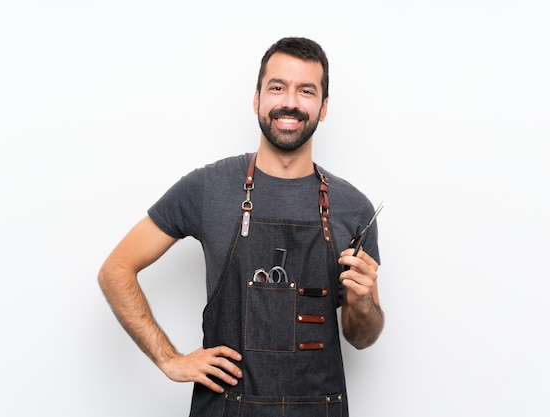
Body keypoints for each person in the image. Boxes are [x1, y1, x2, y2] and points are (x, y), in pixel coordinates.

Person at [98, 36, 384, 417]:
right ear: (257, 99)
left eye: (306, 91)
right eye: (277, 87)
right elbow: (115, 270)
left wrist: (363, 303)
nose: (290, 102)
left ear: (324, 107)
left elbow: (362, 337)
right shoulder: (207, 188)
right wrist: (169, 359)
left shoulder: (353, 207)